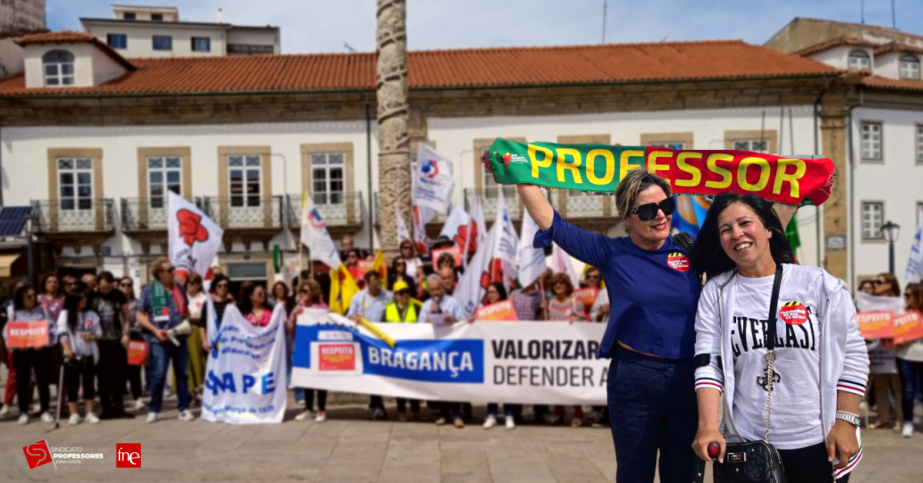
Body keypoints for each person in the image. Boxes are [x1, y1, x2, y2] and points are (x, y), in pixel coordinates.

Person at [517, 169, 797, 482]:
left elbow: (754, 236)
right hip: (634, 379)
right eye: (648, 211)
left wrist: (796, 192)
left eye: (666, 206)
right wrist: (517, 170)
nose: (661, 215)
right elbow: (551, 222)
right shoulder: (610, 252)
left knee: (682, 475)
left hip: (688, 380)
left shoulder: (690, 249)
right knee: (634, 475)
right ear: (626, 217)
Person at [692, 193, 868, 482]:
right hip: (750, 444)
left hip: (819, 441)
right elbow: (708, 363)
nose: (737, 234)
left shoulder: (819, 284)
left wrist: (846, 421)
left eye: (745, 223)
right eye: (726, 229)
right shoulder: (717, 293)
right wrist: (708, 426)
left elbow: (852, 354)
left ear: (768, 229)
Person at [135, 257, 195, 424]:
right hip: (160, 340)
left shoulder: (179, 288)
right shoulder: (149, 289)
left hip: (179, 337)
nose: (173, 272)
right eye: (169, 270)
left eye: (173, 269)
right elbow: (139, 315)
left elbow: (186, 310)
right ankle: (154, 409)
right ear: (159, 273)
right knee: (159, 375)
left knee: (182, 374)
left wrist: (185, 324)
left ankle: (184, 408)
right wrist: (155, 330)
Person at [419, 272, 467, 428]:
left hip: (451, 346)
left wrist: (454, 320)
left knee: (452, 380)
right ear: (429, 291)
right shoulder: (426, 305)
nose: (436, 292)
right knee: (438, 381)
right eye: (432, 290)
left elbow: (463, 323)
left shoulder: (453, 302)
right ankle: (442, 414)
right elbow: (418, 327)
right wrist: (428, 316)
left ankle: (456, 414)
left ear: (442, 288)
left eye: (438, 289)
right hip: (434, 348)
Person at [2, 284, 55, 425]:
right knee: (22, 382)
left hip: (40, 351)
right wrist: (15, 345)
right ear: (21, 298)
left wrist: (45, 343)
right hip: (22, 352)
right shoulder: (14, 312)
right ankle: (23, 412)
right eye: (29, 296)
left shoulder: (42, 310)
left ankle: (45, 411)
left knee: (43, 382)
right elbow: (7, 332)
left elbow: (52, 329)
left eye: (34, 295)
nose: (33, 298)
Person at [347, 271, 392, 419]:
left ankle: (376, 406)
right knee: (371, 373)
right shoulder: (358, 297)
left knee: (379, 372)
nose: (378, 286)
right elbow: (348, 316)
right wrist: (353, 317)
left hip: (382, 340)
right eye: (374, 283)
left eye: (380, 283)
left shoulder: (388, 297)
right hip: (364, 340)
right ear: (367, 283)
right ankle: (377, 405)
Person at [474, 282, 519, 430]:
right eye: (488, 292)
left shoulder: (508, 309)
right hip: (489, 352)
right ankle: (491, 415)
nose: (490, 295)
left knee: (507, 384)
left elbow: (514, 328)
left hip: (506, 351)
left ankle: (509, 415)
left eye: (493, 292)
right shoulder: (483, 311)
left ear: (500, 293)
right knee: (491, 385)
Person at [93, 271, 134, 420]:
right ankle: (106, 409)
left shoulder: (118, 294)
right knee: (103, 377)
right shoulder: (91, 296)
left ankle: (119, 408)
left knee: (119, 375)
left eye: (109, 288)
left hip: (116, 341)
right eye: (104, 288)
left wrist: (126, 333)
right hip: (98, 342)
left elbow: (127, 317)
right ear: (97, 284)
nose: (106, 291)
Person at [58, 288, 102, 425]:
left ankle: (89, 412)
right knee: (73, 384)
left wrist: (92, 336)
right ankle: (74, 413)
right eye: (82, 298)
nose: (85, 300)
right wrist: (67, 349)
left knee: (89, 383)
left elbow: (99, 332)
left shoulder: (91, 314)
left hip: (88, 353)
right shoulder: (65, 314)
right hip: (73, 354)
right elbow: (62, 333)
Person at [546, 273, 585, 427]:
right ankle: (559, 413)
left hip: (573, 351)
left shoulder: (576, 302)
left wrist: (577, 319)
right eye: (555, 283)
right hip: (555, 351)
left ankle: (578, 414)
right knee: (557, 382)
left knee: (574, 382)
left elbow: (585, 324)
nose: (558, 285)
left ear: (567, 285)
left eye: (561, 282)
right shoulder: (549, 304)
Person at [867, 272, 903, 432]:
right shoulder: (872, 304)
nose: (875, 285)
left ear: (889, 284)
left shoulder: (900, 303)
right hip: (878, 351)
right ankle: (883, 417)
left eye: (879, 282)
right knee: (880, 387)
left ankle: (900, 420)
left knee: (898, 387)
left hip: (897, 350)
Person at [290, 280, 330, 423]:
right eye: (300, 291)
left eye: (305, 291)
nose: (302, 293)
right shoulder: (299, 307)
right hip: (304, 347)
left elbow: (330, 323)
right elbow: (289, 328)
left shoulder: (322, 307)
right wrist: (293, 316)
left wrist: (331, 314)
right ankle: (308, 409)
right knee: (306, 378)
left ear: (313, 292)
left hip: (319, 347)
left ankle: (321, 409)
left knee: (320, 379)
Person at [382, 279, 421, 422]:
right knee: (399, 382)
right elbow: (382, 328)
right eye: (402, 292)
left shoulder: (416, 307)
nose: (405, 295)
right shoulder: (388, 309)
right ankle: (401, 410)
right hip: (395, 351)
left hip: (412, 350)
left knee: (414, 382)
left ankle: (416, 410)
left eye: (407, 292)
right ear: (396, 295)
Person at [897, 283, 923, 438]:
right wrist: (900, 340)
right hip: (905, 356)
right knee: (908, 390)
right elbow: (896, 336)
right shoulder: (902, 313)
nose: (905, 298)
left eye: (908, 295)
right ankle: (908, 422)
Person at [119, 276, 145, 411]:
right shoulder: (115, 302)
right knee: (120, 370)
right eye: (123, 284)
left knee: (135, 370)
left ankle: (137, 398)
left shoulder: (137, 303)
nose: (126, 287)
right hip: (118, 338)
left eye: (129, 285)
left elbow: (142, 319)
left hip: (135, 337)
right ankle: (120, 398)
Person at [185, 273, 208, 405]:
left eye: (193, 282)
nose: (189, 285)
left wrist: (189, 317)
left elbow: (204, 317)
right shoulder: (182, 297)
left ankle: (200, 389)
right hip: (183, 332)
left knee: (198, 361)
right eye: (188, 282)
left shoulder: (204, 298)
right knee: (185, 363)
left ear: (199, 284)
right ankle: (189, 392)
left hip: (197, 331)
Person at [200, 274, 234, 351]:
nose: (223, 288)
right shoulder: (208, 305)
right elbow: (202, 324)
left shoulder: (232, 304)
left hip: (229, 342)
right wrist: (204, 341)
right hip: (212, 341)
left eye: (225, 286)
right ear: (215, 287)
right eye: (219, 286)